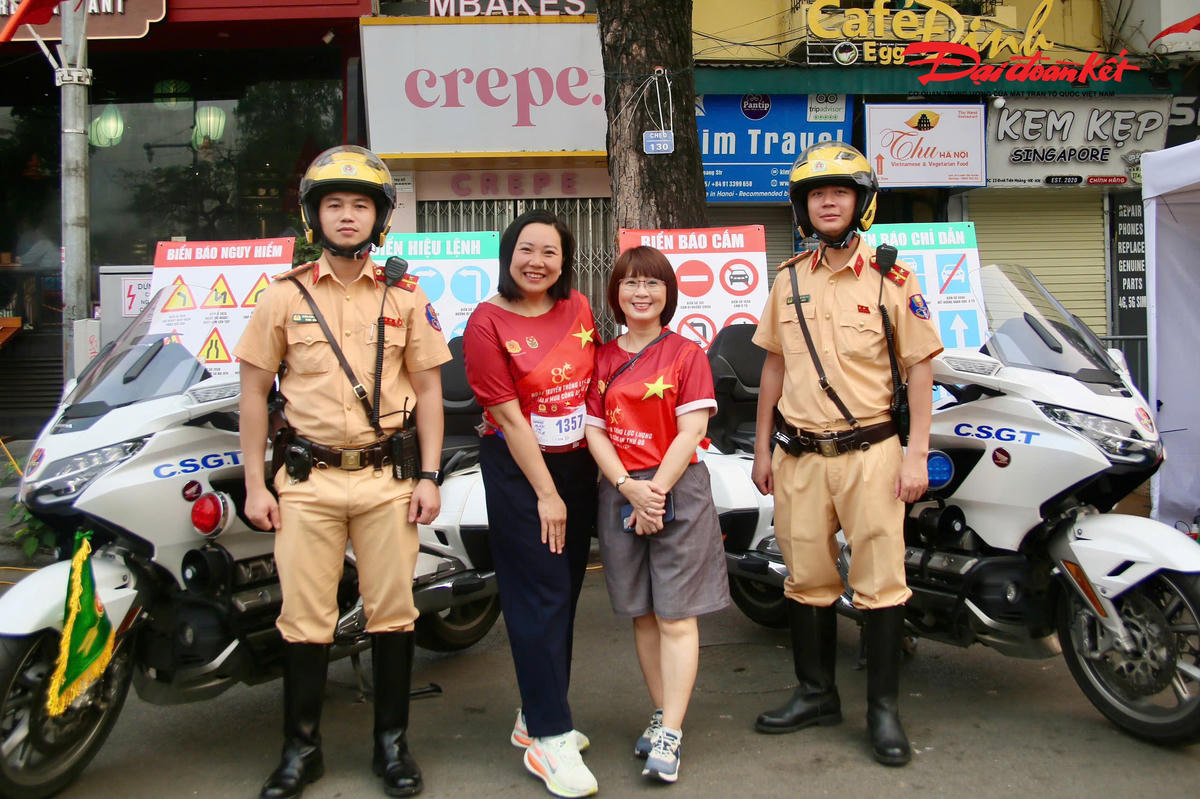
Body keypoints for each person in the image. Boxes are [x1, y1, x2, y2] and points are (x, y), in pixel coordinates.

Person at [236, 145, 451, 799]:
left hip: (388, 478)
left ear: (380, 217)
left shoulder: (405, 298)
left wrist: (430, 474)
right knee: (304, 619)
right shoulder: (283, 297)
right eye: (335, 204)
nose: (348, 216)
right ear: (314, 216)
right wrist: (254, 484)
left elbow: (431, 391)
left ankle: (392, 747)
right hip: (308, 482)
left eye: (361, 204)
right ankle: (301, 750)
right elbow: (251, 395)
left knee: (393, 613)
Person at [750, 141, 943, 767]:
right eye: (815, 193)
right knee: (806, 580)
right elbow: (773, 369)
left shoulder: (893, 279)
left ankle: (882, 711)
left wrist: (917, 455)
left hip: (873, 455)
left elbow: (919, 372)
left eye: (839, 192)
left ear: (862, 202)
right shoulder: (788, 280)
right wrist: (760, 450)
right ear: (803, 207)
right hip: (799, 456)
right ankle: (815, 694)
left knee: (880, 584)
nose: (827, 201)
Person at [462, 208, 599, 799]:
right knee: (536, 592)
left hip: (576, 465)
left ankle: (536, 712)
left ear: (564, 261)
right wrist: (546, 493)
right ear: (507, 254)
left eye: (549, 251)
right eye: (527, 249)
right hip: (522, 474)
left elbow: (595, 389)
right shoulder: (486, 323)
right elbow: (508, 416)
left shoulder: (579, 310)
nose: (537, 261)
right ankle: (549, 735)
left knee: (564, 589)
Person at [583, 246, 729, 785]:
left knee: (674, 613)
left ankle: (670, 730)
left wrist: (655, 493)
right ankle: (663, 712)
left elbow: (691, 432)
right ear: (615, 293)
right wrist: (627, 487)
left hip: (676, 487)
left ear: (669, 292)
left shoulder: (687, 354)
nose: (640, 293)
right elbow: (594, 430)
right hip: (620, 488)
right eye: (629, 283)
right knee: (642, 613)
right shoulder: (599, 357)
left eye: (652, 283)